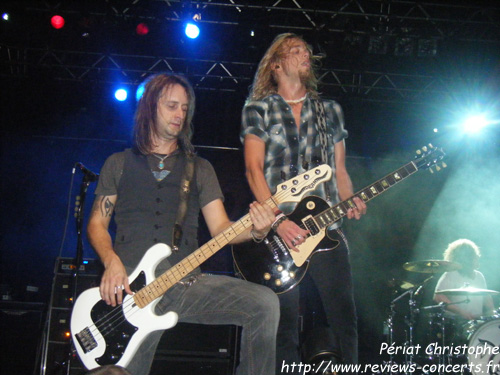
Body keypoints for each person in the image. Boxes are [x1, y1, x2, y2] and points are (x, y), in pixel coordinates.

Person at [87, 73, 280, 375]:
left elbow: (221, 229)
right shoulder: (118, 163)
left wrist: (257, 229)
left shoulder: (199, 168)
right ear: (150, 107)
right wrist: (111, 261)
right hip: (131, 291)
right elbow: (97, 224)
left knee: (264, 303)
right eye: (172, 106)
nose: (180, 114)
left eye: (184, 108)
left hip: (184, 283)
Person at [240, 33, 367, 373]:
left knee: (344, 320)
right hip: (278, 230)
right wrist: (279, 221)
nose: (304, 54)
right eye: (294, 50)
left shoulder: (330, 110)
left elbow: (340, 170)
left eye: (306, 50)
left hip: (327, 227)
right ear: (276, 63)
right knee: (281, 325)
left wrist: (350, 198)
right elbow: (254, 169)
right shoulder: (258, 110)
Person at [434, 239, 495, 320]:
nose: (478, 257)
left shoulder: (479, 276)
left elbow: (486, 299)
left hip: (476, 323)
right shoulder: (451, 274)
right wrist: (461, 312)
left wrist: (493, 315)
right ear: (466, 259)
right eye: (474, 256)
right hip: (456, 322)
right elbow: (438, 297)